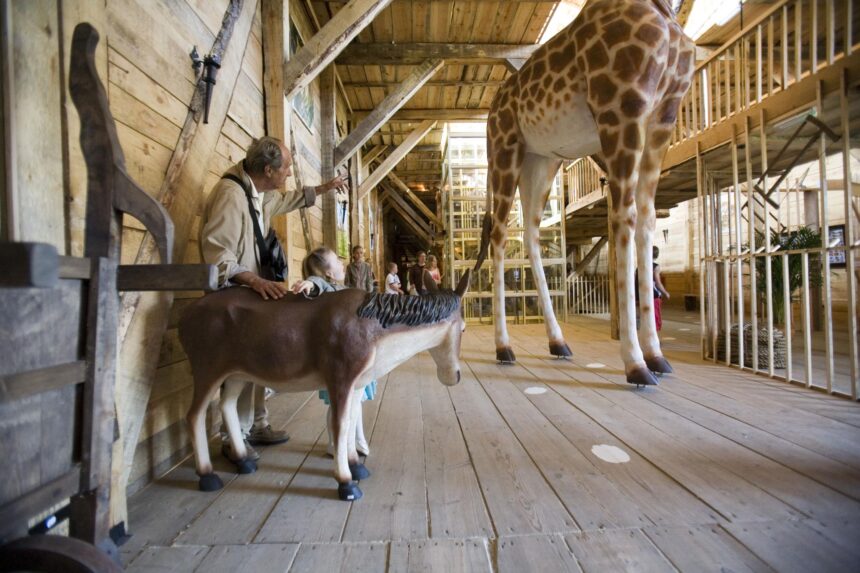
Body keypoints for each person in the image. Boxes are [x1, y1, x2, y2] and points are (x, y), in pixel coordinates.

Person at [199, 136, 348, 462]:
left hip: (255, 294)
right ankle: (232, 436)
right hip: (235, 298)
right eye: (287, 169)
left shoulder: (258, 192)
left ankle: (257, 425)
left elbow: (289, 200)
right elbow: (216, 251)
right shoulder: (230, 196)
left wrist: (325, 188)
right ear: (268, 170)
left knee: (258, 360)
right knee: (238, 365)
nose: (289, 176)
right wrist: (252, 279)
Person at [292, 247, 375, 456]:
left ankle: (358, 439)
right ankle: (335, 443)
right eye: (337, 261)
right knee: (340, 406)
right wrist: (310, 283)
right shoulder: (328, 289)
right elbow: (317, 283)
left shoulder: (341, 288)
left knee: (355, 404)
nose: (341, 263)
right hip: (338, 363)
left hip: (353, 357)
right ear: (328, 273)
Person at [635, 245, 670, 331]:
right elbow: (658, 283)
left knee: (644, 316)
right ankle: (653, 337)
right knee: (655, 316)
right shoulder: (655, 267)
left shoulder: (639, 266)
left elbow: (635, 282)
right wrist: (665, 293)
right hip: (653, 295)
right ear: (657, 255)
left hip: (640, 295)